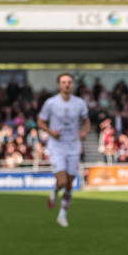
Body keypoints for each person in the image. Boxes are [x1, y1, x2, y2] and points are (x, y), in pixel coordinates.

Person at [38, 73, 90, 227]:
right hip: (57, 146)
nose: (66, 84)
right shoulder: (51, 103)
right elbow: (40, 121)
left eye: (69, 82)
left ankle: (62, 214)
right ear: (59, 85)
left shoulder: (80, 103)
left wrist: (84, 132)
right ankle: (55, 190)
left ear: (72, 84)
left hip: (74, 146)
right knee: (62, 180)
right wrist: (50, 132)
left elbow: (86, 122)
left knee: (69, 184)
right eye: (63, 82)